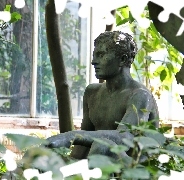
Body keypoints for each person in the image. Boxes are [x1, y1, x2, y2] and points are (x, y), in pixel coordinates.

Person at [46, 31, 159, 160]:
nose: (94, 62)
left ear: (122, 59)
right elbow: (82, 147)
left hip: (134, 168)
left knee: (103, 146)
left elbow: (124, 137)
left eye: (100, 55)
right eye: (94, 56)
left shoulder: (140, 95)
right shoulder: (92, 92)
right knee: (41, 156)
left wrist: (71, 136)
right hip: (98, 163)